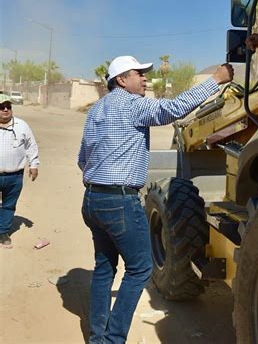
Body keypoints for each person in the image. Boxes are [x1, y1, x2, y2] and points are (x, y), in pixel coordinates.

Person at [78, 55, 233, 344]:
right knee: (140, 269)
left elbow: (82, 159)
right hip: (120, 202)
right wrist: (216, 81)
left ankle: (98, 337)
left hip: (93, 199)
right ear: (122, 80)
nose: (145, 78)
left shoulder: (96, 110)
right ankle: (112, 341)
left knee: (104, 267)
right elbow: (172, 110)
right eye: (139, 74)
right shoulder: (132, 104)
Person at [0, 95, 39, 247]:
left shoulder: (21, 125)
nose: (5, 109)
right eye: (1, 106)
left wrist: (34, 164)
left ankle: (3, 232)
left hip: (14, 176)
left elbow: (31, 146)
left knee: (9, 205)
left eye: (8, 106)